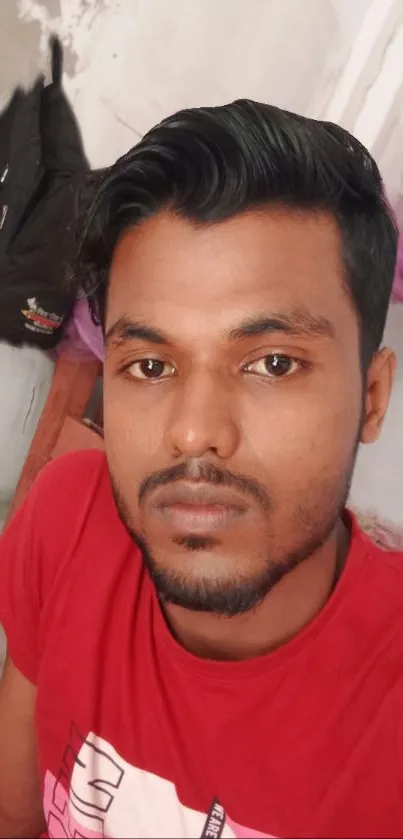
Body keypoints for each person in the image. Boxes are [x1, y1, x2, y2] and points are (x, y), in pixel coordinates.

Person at [0, 99, 400, 839]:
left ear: (370, 396)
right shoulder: (64, 522)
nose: (191, 431)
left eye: (272, 363)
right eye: (149, 364)